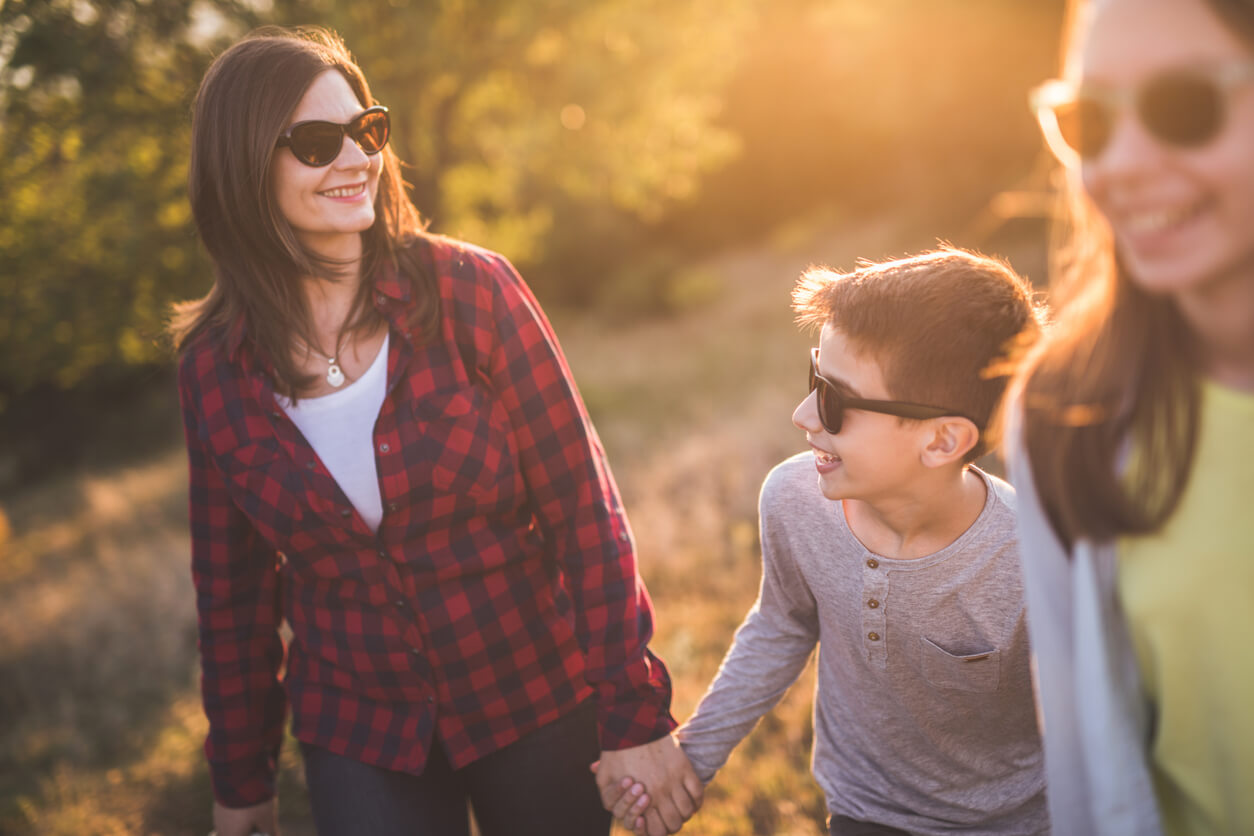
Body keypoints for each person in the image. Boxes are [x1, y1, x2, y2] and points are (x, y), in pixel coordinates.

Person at [170, 26, 701, 836]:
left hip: (531, 688)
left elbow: (582, 512)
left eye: (367, 130)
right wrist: (242, 785)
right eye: (317, 143)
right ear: (244, 167)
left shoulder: (472, 291)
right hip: (359, 729)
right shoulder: (212, 369)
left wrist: (634, 714)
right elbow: (233, 600)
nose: (355, 159)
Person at [601, 250, 1048, 835]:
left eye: (835, 400)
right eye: (815, 377)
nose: (803, 414)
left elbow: (1084, 729)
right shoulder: (795, 498)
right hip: (863, 813)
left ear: (943, 441)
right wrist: (692, 758)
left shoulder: (1032, 561)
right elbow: (781, 624)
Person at [1007, 0, 1254, 833]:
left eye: (1186, 106)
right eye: (1089, 121)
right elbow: (1083, 765)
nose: (1125, 164)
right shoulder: (1063, 415)